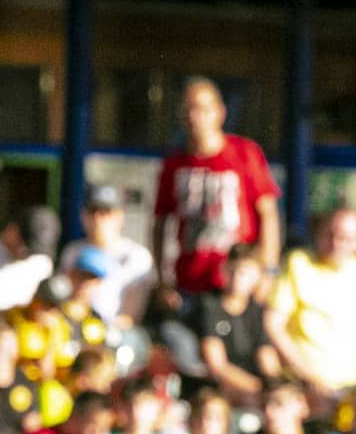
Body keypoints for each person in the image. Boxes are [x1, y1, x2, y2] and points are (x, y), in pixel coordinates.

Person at [153, 78, 279, 297]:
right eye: (188, 109)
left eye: (202, 109)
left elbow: (268, 213)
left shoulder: (244, 153)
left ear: (220, 112)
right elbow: (160, 223)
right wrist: (163, 281)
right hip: (189, 282)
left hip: (236, 282)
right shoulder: (174, 164)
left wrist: (267, 271)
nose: (194, 117)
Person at [265, 207, 356, 392]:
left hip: (350, 388)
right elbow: (273, 325)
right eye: (329, 234)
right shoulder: (298, 263)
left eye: (345, 238)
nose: (336, 243)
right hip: (303, 388)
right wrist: (309, 376)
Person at [191, 242, 277, 406]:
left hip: (253, 389)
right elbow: (217, 365)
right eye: (233, 270)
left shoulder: (257, 310)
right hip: (217, 388)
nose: (238, 276)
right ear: (224, 270)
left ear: (258, 276)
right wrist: (258, 390)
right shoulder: (209, 305)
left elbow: (267, 357)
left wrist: (275, 388)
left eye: (245, 272)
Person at [57, 184, 155, 326]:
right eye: (92, 211)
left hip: (115, 335)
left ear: (120, 216)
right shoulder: (73, 251)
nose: (97, 218)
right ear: (83, 215)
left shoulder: (137, 256)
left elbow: (130, 317)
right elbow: (65, 299)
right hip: (75, 326)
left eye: (105, 211)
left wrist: (102, 331)